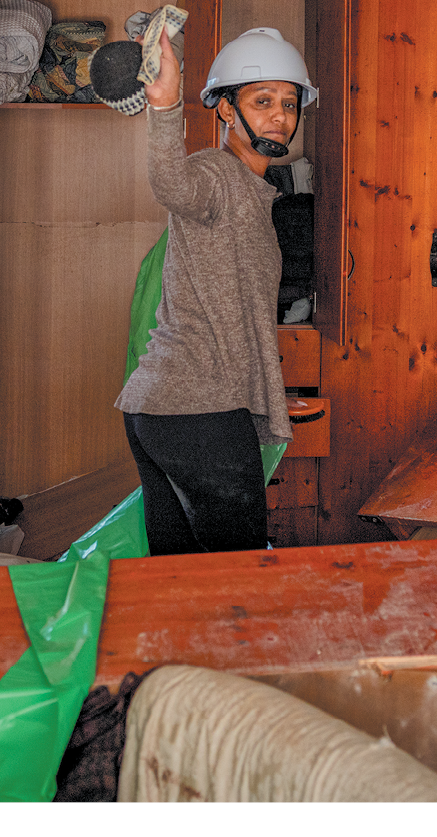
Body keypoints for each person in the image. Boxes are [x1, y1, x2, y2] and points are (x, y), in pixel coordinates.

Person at [116, 28, 312, 555]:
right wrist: (164, 106)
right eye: (262, 101)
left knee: (178, 573)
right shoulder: (217, 175)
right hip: (196, 408)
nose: (280, 116)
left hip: (165, 408)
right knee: (237, 569)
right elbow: (173, 184)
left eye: (290, 103)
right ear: (227, 112)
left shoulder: (255, 190)